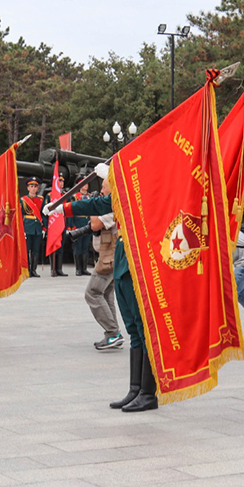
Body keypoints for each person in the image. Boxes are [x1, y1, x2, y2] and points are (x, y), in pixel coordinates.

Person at [45, 162, 158, 412]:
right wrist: (64, 208)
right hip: (122, 259)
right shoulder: (118, 198)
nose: (105, 187)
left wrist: (64, 208)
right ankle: (135, 389)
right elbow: (96, 204)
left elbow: (98, 206)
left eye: (107, 182)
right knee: (132, 327)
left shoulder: (134, 194)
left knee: (142, 326)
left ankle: (148, 392)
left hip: (136, 259)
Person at [74, 177, 123, 350]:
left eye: (104, 188)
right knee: (106, 293)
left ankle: (113, 332)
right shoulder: (114, 204)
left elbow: (95, 224)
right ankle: (113, 334)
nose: (101, 191)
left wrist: (93, 205)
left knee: (92, 293)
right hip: (111, 255)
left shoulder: (112, 206)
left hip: (110, 257)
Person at [44, 174, 68, 277]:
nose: (61, 183)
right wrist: (45, 227)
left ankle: (59, 269)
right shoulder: (49, 196)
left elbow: (69, 211)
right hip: (53, 223)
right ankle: (53, 269)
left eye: (62, 181)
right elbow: (45, 213)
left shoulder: (66, 195)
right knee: (53, 245)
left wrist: (70, 226)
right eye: (59, 181)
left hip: (63, 222)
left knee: (61, 246)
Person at [21, 176, 45, 278]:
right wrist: (22, 229)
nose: (34, 188)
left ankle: (33, 270)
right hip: (27, 227)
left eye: (35, 186)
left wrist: (44, 228)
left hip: (37, 228)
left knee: (36, 250)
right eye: (32, 186)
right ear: (28, 188)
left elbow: (43, 214)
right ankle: (27, 270)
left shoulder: (41, 199)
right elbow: (20, 215)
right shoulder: (23, 200)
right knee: (27, 250)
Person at [69, 177, 92, 276]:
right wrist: (72, 225)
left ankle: (84, 268)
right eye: (83, 184)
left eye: (87, 184)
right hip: (78, 222)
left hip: (87, 221)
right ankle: (78, 269)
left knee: (85, 246)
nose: (86, 186)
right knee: (78, 246)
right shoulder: (75, 197)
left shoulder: (90, 196)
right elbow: (71, 211)